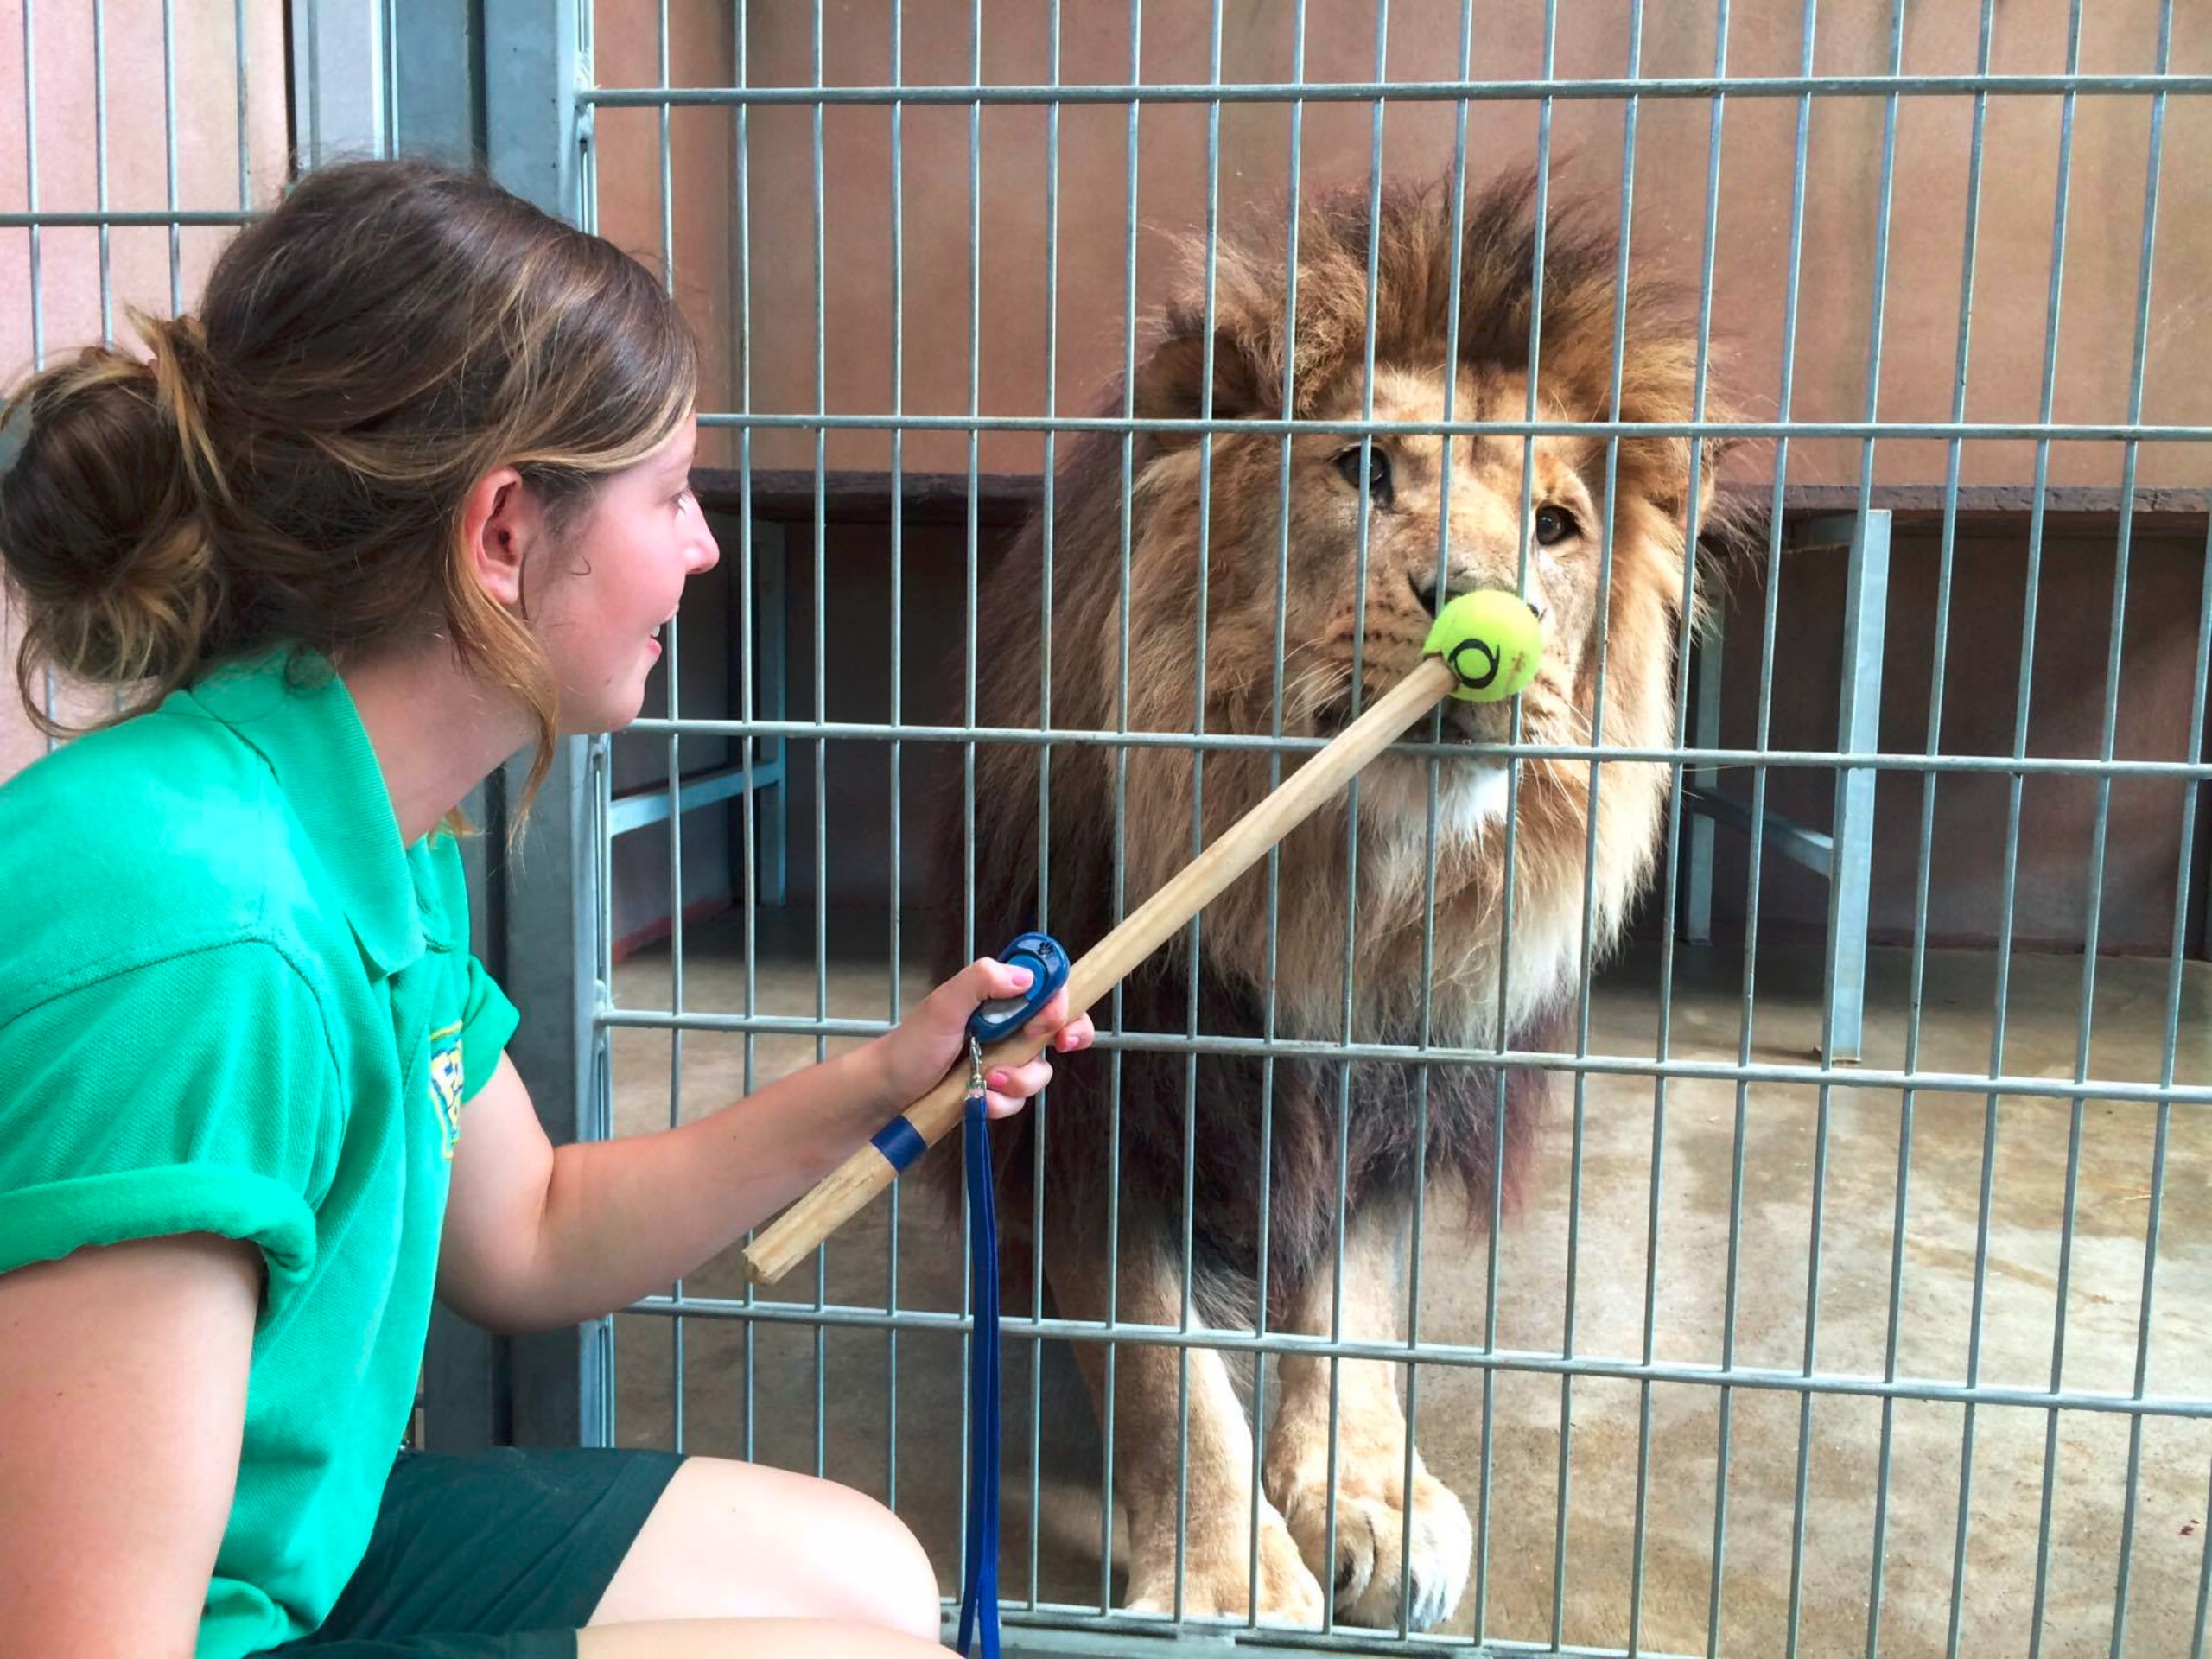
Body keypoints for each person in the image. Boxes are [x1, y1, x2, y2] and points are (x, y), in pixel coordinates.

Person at [0, 156, 1090, 1659]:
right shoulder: (212, 942)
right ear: (505, 532)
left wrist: (889, 1082)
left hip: (273, 1558)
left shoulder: (358, 822)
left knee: (872, 1583)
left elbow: (530, 1228)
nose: (703, 547)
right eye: (671, 494)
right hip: (166, 1621)